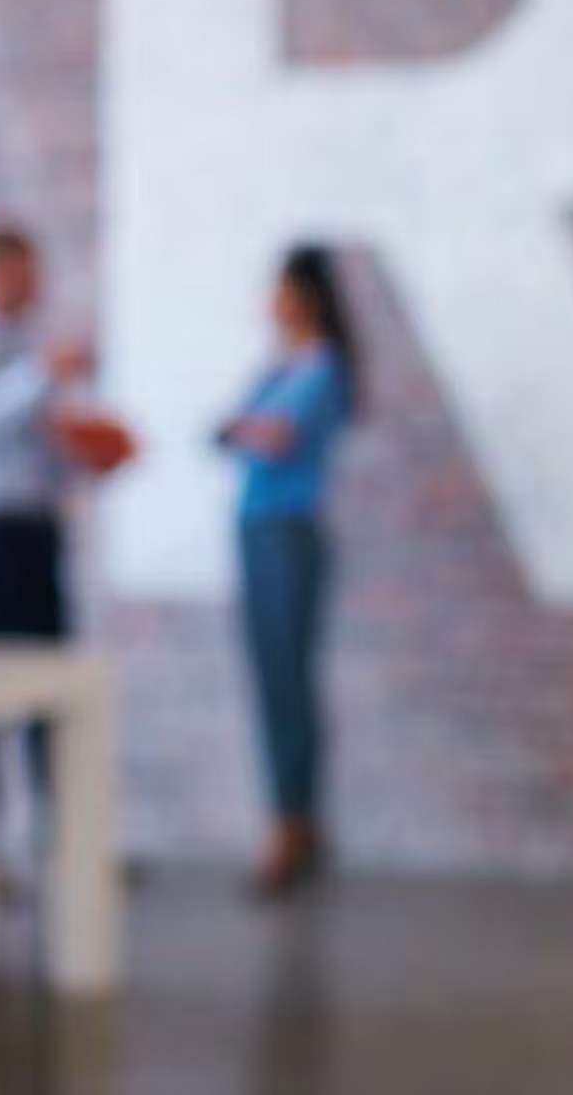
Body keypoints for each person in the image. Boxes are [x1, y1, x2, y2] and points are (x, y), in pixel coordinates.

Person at [0, 224, 121, 848]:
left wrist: (93, 452)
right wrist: (39, 374)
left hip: (41, 532)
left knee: (51, 684)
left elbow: (52, 446)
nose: (31, 287)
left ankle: (62, 838)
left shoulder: (42, 349)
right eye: (19, 273)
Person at [218, 244, 358, 900]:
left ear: (302, 295)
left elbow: (267, 435)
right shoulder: (279, 368)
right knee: (275, 681)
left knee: (287, 682)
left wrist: (243, 427)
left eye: (277, 290)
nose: (268, 303)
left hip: (287, 535)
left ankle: (291, 822)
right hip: (256, 530)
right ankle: (296, 816)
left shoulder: (320, 367)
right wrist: (242, 426)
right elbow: (227, 429)